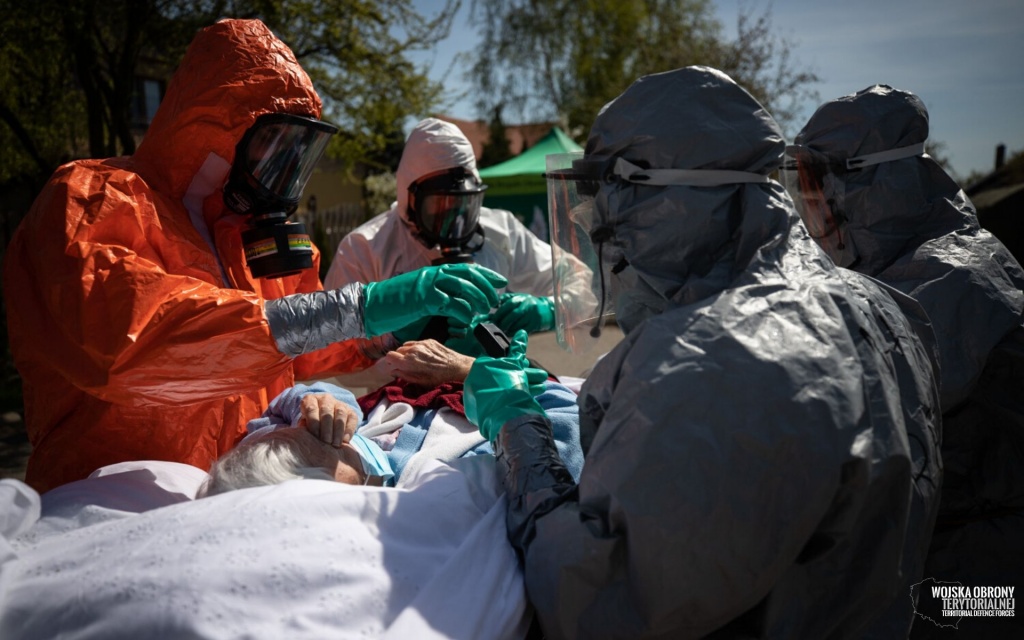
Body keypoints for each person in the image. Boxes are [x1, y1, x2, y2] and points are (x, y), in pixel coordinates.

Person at [462, 67, 943, 639]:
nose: (602, 239)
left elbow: (594, 599)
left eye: (611, 207)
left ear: (670, 204)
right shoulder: (881, 303)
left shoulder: (714, 355)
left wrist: (520, 433)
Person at [2, 19, 506, 493]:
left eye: (298, 154)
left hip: (235, 490)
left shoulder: (249, 238)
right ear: (220, 131)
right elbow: (130, 342)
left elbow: (302, 348)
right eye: (275, 146)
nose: (285, 171)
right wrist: (356, 307)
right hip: (106, 498)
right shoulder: (92, 200)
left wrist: (389, 332)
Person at [787, 85, 1024, 635]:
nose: (809, 206)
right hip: (958, 544)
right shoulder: (915, 260)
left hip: (987, 580)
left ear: (871, 187)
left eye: (817, 184)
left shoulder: (950, 280)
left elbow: (838, 415)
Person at [204, 338, 585, 495]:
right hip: (513, 381)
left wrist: (323, 399)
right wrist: (471, 369)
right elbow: (561, 440)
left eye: (309, 427)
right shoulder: (447, 484)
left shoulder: (285, 461)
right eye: (323, 440)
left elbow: (278, 411)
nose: (321, 428)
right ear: (333, 493)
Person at [324, 117, 558, 346]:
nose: (453, 221)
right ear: (411, 200)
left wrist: (549, 310)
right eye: (438, 206)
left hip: (491, 382)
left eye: (463, 205)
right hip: (399, 384)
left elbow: (576, 282)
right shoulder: (363, 248)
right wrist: (390, 339)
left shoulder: (501, 231)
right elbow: (333, 351)